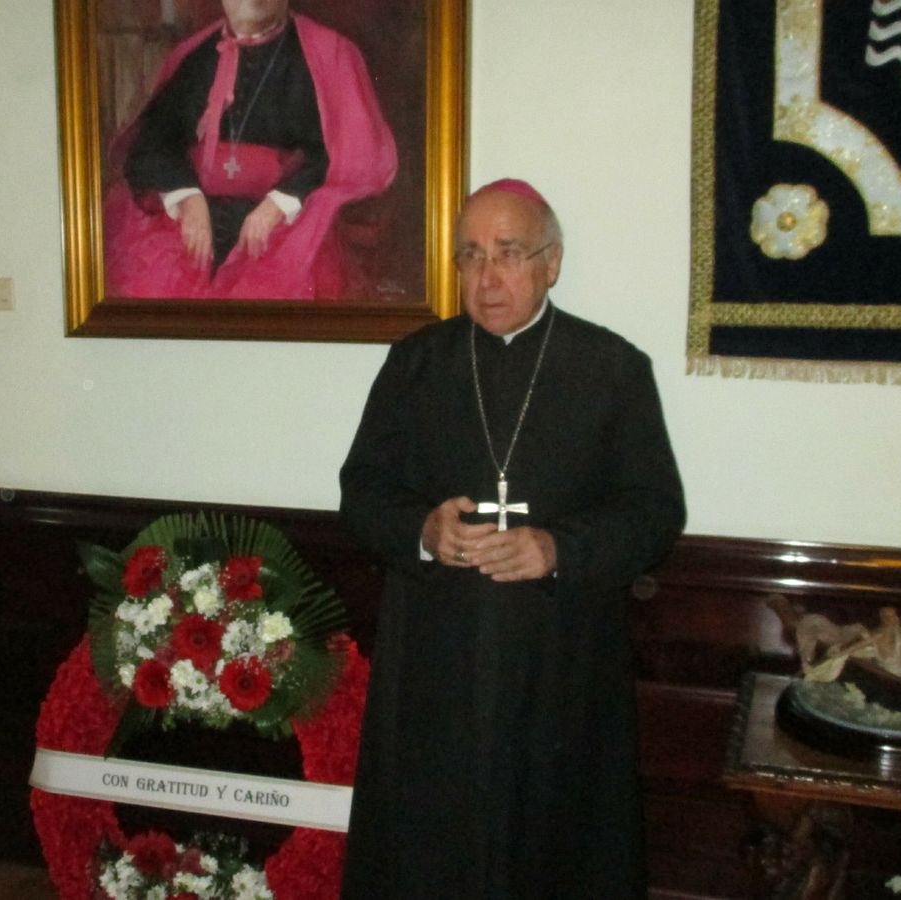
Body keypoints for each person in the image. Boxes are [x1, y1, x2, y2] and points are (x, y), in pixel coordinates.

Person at [338, 179, 686, 897]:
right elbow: (360, 491)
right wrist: (425, 530)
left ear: (551, 262)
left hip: (561, 663)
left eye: (508, 252)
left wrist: (558, 549)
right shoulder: (416, 364)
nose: (487, 276)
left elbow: (656, 510)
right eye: (470, 255)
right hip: (436, 664)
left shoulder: (613, 370)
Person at [101, 0, 397, 300]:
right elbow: (152, 142)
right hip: (194, 217)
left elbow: (345, 154)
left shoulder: (330, 53)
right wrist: (187, 198)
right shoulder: (195, 54)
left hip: (284, 222)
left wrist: (277, 204)